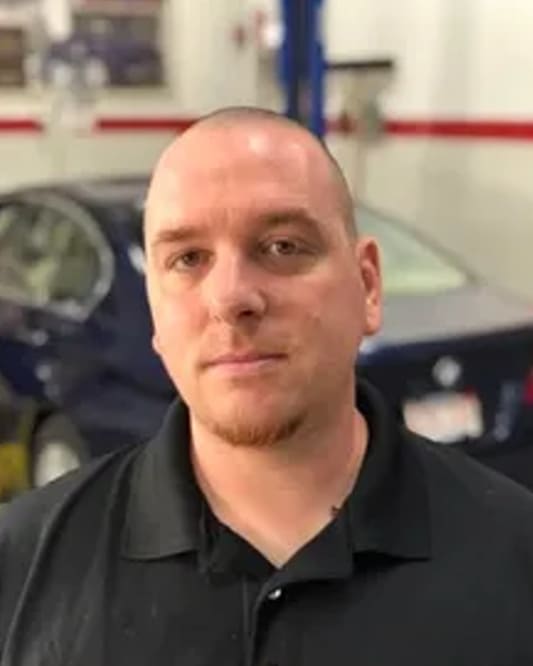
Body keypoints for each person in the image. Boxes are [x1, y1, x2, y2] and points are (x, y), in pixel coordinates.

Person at [1, 107, 533, 666]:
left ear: (368, 286)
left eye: (282, 246)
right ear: (156, 312)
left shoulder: (516, 562)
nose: (231, 297)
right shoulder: (21, 571)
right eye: (188, 258)